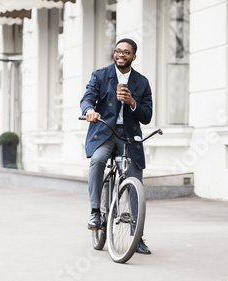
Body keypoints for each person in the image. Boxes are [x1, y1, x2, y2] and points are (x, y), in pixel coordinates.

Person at [80, 38, 153, 255]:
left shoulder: (142, 82)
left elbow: (147, 116)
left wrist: (132, 102)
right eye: (118, 51)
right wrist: (89, 111)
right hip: (104, 133)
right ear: (115, 53)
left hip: (129, 136)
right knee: (98, 160)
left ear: (133, 57)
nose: (121, 55)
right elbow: (87, 99)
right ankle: (95, 211)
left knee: (135, 177)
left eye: (126, 52)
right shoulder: (100, 75)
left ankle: (136, 235)